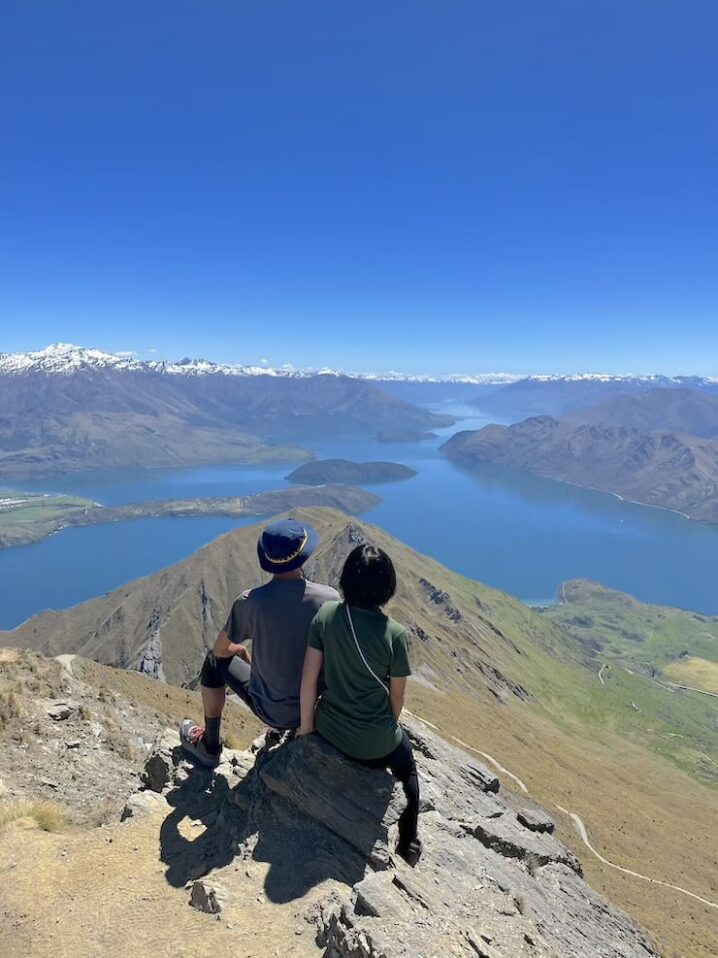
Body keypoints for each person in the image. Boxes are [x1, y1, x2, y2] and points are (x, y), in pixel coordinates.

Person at [297, 543, 422, 866]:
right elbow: (397, 698)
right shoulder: (396, 635)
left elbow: (309, 678)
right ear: (387, 587)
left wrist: (307, 729)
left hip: (328, 731)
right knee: (408, 772)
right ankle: (408, 842)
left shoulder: (326, 616)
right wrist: (386, 729)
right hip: (377, 743)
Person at [180, 518, 339, 767]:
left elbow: (221, 650)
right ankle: (281, 731)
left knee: (213, 661)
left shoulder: (250, 602)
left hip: (272, 711)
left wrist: (239, 648)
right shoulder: (330, 598)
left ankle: (209, 747)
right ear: (303, 556)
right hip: (317, 710)